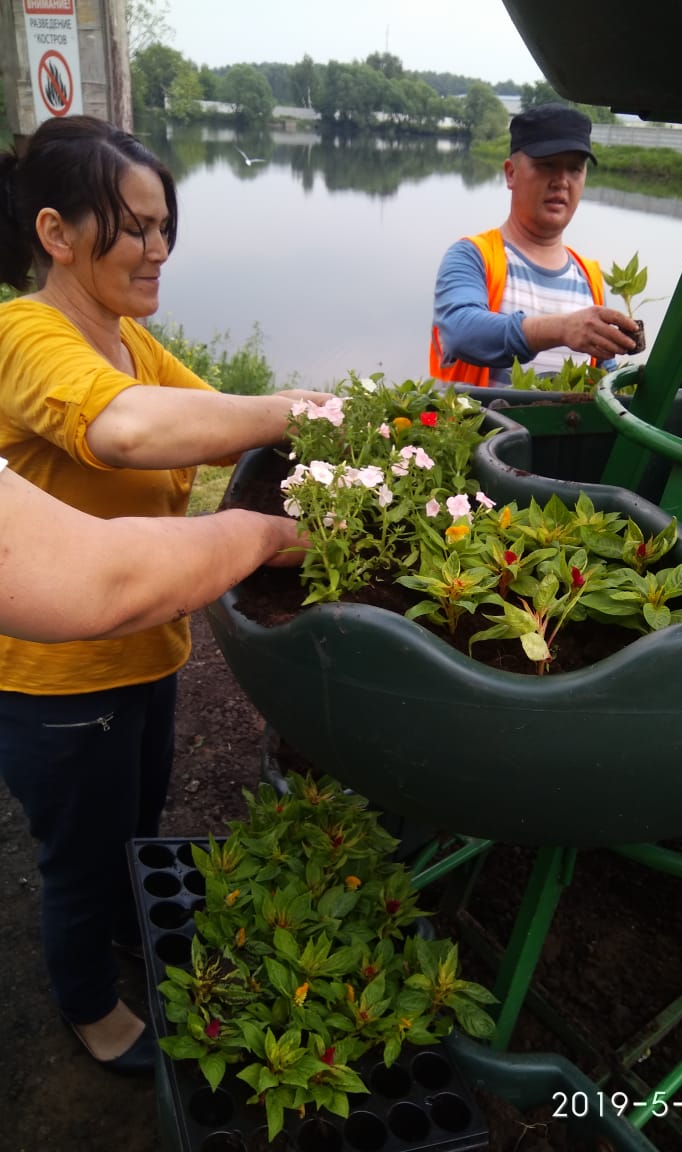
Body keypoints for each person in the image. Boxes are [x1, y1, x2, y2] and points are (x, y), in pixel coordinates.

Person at [0, 114, 324, 1076]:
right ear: (57, 234)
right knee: (76, 855)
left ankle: (129, 933)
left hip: (144, 651)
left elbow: (214, 422)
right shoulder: (25, 334)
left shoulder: (128, 338)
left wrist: (334, 418)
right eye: (134, 227)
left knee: (134, 823)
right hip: (60, 680)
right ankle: (91, 1009)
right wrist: (307, 417)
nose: (156, 249)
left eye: (163, 227)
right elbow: (130, 434)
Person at [429, 103, 640, 388]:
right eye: (546, 166)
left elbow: (604, 380)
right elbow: (461, 332)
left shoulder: (588, 277)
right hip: (479, 431)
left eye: (575, 169)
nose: (562, 182)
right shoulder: (472, 255)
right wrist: (562, 329)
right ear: (511, 173)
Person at [0, 455, 307, 642]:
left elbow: (205, 413)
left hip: (149, 649)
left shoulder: (136, 347)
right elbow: (94, 583)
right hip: (57, 684)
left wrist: (301, 411)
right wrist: (270, 534)